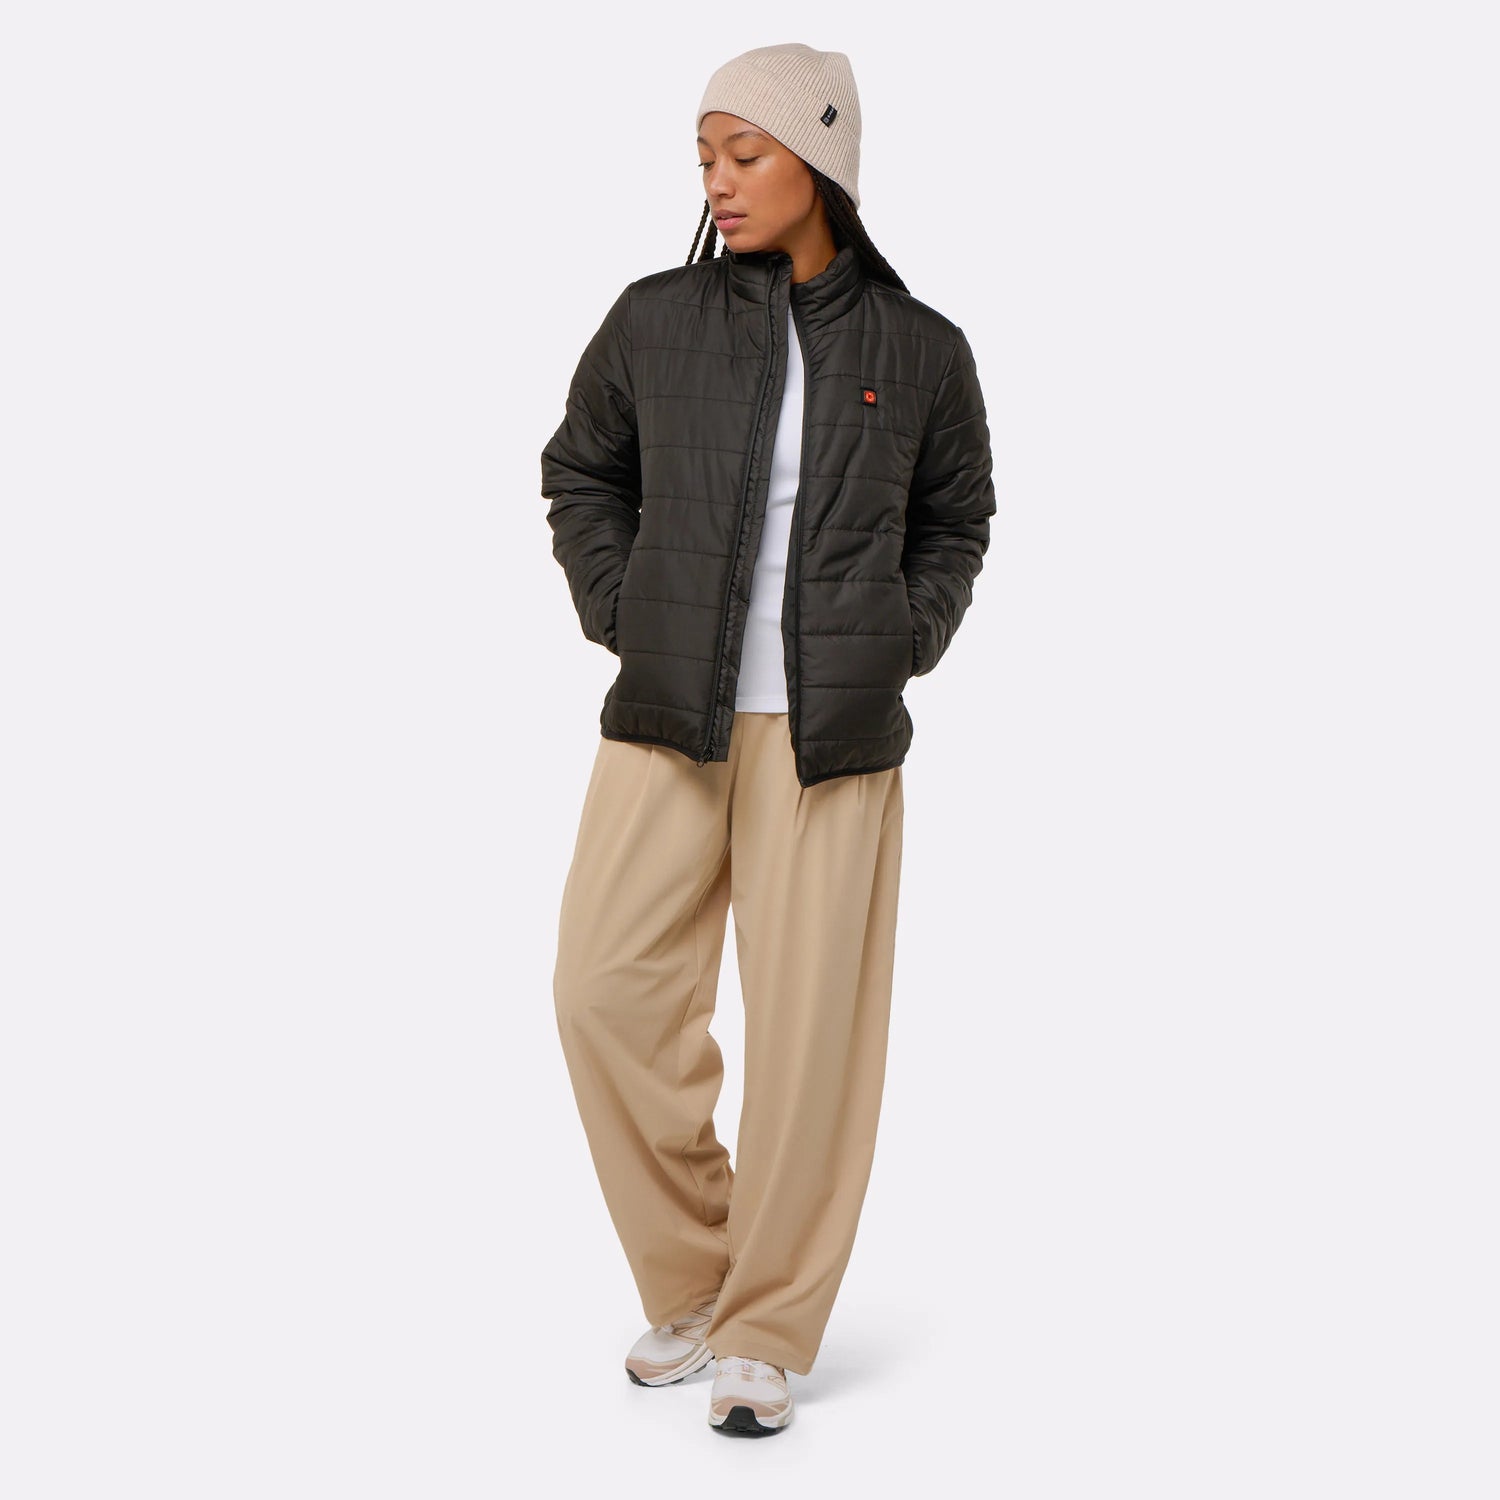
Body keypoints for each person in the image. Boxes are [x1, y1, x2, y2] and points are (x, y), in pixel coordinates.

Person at [541, 42, 995, 1437]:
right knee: (602, 991)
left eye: (746, 154)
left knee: (810, 1043)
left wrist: (905, 634)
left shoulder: (920, 349)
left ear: (823, 158)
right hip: (667, 717)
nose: (719, 182)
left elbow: (957, 517)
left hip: (830, 736)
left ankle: (768, 1326)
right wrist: (624, 607)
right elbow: (582, 472)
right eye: (704, 159)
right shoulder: (654, 318)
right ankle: (696, 1280)